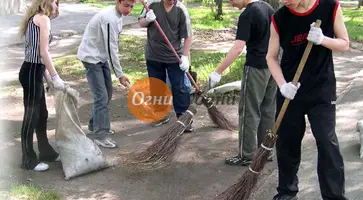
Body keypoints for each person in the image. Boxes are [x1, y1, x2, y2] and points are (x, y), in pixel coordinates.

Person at [266, 0, 350, 198]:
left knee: (326, 141)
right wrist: (282, 85)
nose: (283, 1)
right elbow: (271, 57)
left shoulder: (330, 6)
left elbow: (345, 44)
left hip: (321, 89)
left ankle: (334, 196)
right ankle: (286, 192)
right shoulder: (279, 18)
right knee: (287, 143)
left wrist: (323, 40)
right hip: (291, 91)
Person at [208, 0, 277, 166]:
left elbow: (238, 48)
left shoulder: (247, 14)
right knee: (268, 110)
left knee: (249, 111)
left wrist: (218, 71)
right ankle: (266, 152)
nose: (230, 3)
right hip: (273, 66)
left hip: (256, 69)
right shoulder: (267, 7)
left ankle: (246, 155)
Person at [77, 0, 136, 148]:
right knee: (101, 96)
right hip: (91, 58)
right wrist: (120, 74)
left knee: (107, 93)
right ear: (119, 2)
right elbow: (112, 49)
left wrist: (118, 72)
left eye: (132, 6)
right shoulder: (109, 18)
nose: (128, 9)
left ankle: (94, 124)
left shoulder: (117, 15)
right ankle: (101, 135)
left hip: (101, 57)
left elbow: (111, 46)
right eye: (126, 5)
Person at [18, 0, 65, 171]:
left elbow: (39, 56)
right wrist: (55, 76)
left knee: (42, 114)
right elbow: (43, 51)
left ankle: (45, 151)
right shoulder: (43, 19)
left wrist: (47, 77)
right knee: (31, 116)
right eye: (54, 1)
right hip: (31, 72)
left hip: (35, 70)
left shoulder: (36, 17)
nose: (56, 5)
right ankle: (28, 159)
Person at [138, 0, 194, 131]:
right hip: (154, 55)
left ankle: (183, 118)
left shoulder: (181, 10)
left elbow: (188, 36)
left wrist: (185, 57)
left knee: (180, 87)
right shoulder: (152, 4)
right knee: (157, 85)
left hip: (174, 56)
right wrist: (147, 19)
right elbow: (141, 22)